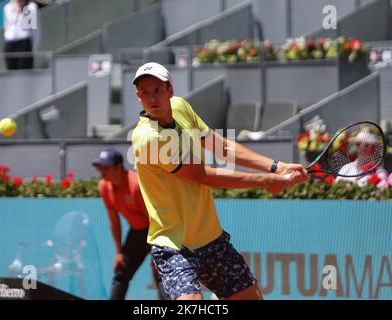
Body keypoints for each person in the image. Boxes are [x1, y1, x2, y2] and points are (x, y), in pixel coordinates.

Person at [131, 62, 309, 300]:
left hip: (209, 236)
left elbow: (220, 147)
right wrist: (266, 180)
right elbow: (204, 175)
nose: (152, 97)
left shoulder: (181, 107)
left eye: (157, 89)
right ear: (138, 97)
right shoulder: (149, 138)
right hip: (173, 244)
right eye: (145, 92)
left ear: (170, 90)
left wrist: (277, 167)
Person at [92, 147, 168, 300]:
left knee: (162, 274)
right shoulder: (104, 186)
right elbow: (114, 220)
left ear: (118, 166)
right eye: (100, 167)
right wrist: (119, 252)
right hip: (137, 232)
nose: (102, 171)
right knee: (121, 272)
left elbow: (155, 219)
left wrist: (157, 251)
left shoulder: (136, 184)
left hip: (157, 230)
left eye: (106, 167)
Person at [3, 0, 40, 70]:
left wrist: (33, 48)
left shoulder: (30, 7)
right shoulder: (8, 7)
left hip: (24, 43)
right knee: (11, 73)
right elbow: (6, 27)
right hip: (10, 44)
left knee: (24, 72)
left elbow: (33, 31)